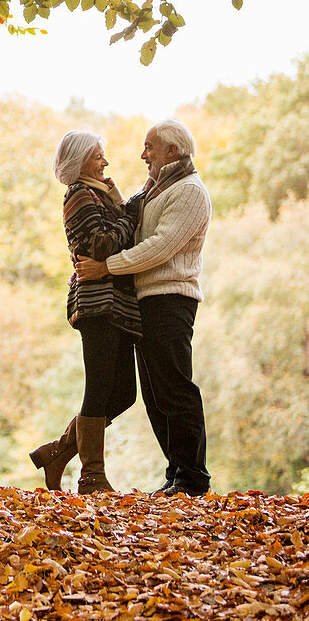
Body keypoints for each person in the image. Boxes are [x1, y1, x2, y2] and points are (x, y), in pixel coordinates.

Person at [75, 118, 212, 497]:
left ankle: (192, 478)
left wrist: (107, 267)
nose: (142, 155)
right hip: (146, 300)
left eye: (150, 147)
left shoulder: (188, 191)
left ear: (172, 151)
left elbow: (159, 246)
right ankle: (175, 474)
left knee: (175, 387)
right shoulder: (155, 190)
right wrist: (110, 189)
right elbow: (130, 219)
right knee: (154, 393)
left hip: (172, 299)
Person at [31, 129, 142, 494]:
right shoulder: (79, 195)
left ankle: (58, 452)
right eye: (98, 155)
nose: (105, 162)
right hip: (96, 304)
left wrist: (120, 210)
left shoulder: (98, 195)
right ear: (80, 162)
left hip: (118, 305)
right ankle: (91, 476)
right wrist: (131, 212)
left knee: (125, 393)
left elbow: (110, 240)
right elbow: (103, 244)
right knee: (98, 388)